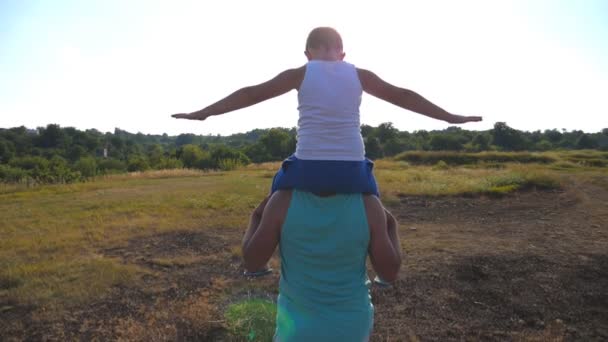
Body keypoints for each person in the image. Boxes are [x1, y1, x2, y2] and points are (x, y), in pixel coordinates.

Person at [171, 27, 482, 198]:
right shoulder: (360, 74)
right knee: (381, 217)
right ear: (343, 53)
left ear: (308, 53)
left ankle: (256, 263)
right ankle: (386, 271)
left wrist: (205, 112)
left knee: (268, 208)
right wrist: (450, 118)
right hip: (352, 169)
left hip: (307, 167)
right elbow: (402, 96)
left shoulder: (300, 72)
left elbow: (251, 93)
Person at [242, 190, 402, 341]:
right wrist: (390, 224)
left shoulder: (281, 200)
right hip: (350, 328)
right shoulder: (368, 204)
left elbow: (253, 262)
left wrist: (257, 216)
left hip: (296, 330)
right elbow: (389, 273)